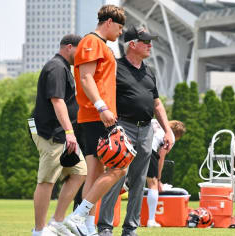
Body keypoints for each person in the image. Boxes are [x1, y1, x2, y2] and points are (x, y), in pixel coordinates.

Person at [97, 25, 173, 236]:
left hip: (146, 129)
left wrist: (168, 131)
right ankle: (104, 227)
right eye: (146, 41)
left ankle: (130, 228)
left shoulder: (149, 72)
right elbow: (102, 94)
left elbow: (157, 104)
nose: (150, 45)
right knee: (117, 176)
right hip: (123, 127)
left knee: (139, 181)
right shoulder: (115, 67)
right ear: (132, 44)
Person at [62, 5, 126, 236]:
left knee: (96, 173)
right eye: (119, 27)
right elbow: (86, 77)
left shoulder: (102, 45)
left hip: (96, 115)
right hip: (96, 115)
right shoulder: (92, 42)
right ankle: (78, 216)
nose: (120, 33)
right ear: (108, 22)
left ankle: (87, 227)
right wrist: (102, 107)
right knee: (120, 167)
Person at [29, 34, 87, 236]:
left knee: (80, 172)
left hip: (62, 133)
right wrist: (70, 132)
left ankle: (57, 222)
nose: (81, 56)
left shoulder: (65, 68)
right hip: (50, 132)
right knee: (47, 180)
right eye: (79, 51)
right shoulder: (56, 67)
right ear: (69, 47)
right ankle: (39, 231)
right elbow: (57, 101)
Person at [145, 119, 186, 227]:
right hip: (150, 151)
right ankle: (151, 220)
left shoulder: (155, 121)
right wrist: (158, 179)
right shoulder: (170, 136)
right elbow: (161, 156)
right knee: (153, 184)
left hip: (134, 146)